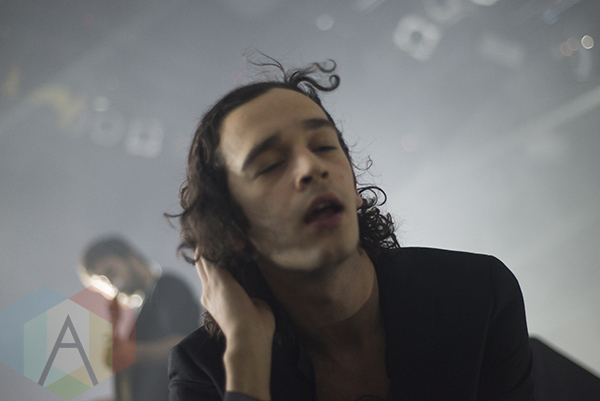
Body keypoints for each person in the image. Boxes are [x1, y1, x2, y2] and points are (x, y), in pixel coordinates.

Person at [167, 59, 534, 401]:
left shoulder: (477, 294)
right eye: (271, 165)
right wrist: (246, 354)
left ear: (355, 187)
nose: (311, 167)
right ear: (232, 230)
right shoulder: (204, 371)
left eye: (324, 145)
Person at [78, 235, 200, 401]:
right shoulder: (142, 311)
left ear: (133, 258)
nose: (111, 284)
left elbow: (188, 347)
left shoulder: (167, 286)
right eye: (103, 283)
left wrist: (131, 352)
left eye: (111, 272)